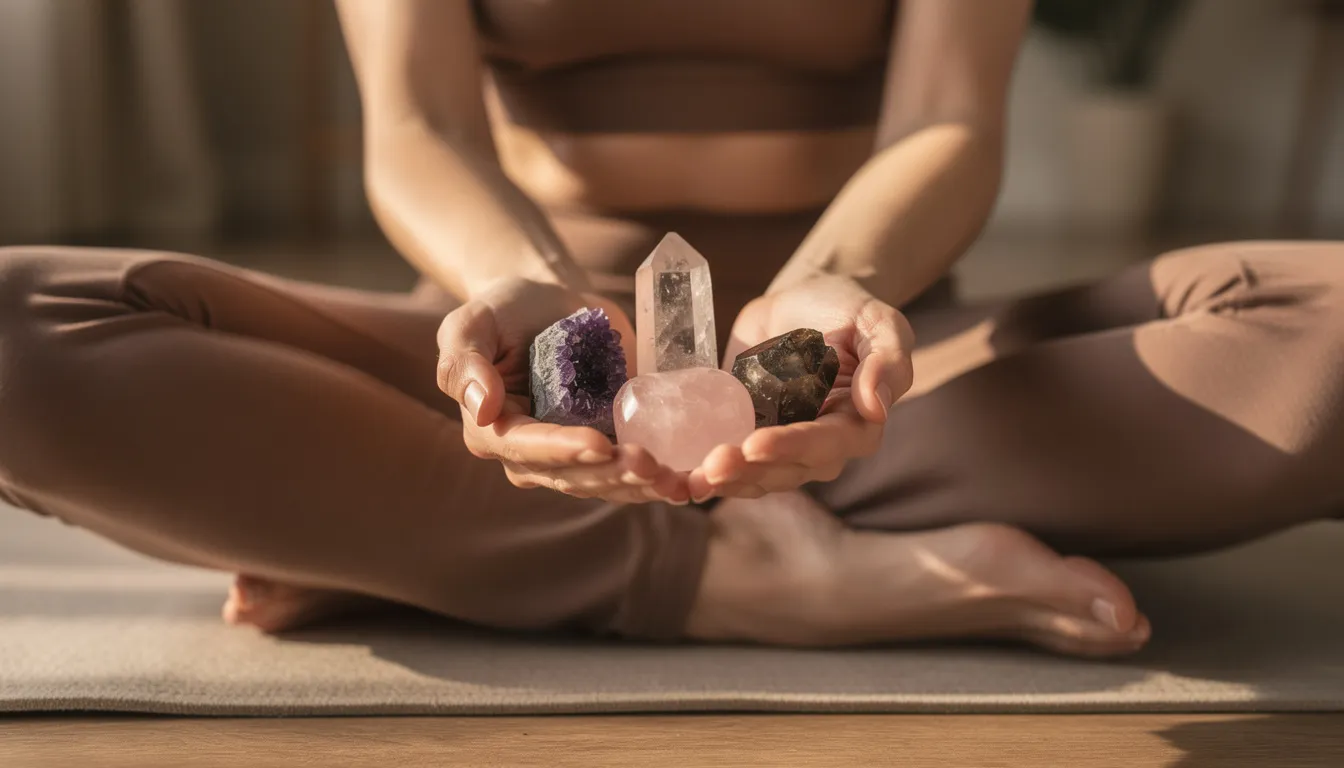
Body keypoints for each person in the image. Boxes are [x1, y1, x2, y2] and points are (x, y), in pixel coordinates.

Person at [2, 0, 1341, 658]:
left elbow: (951, 118)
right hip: (534, 383)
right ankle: (745, 576)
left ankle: (432, 545)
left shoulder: (843, 344)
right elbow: (419, 132)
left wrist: (832, 288)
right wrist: (524, 290)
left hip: (867, 381)